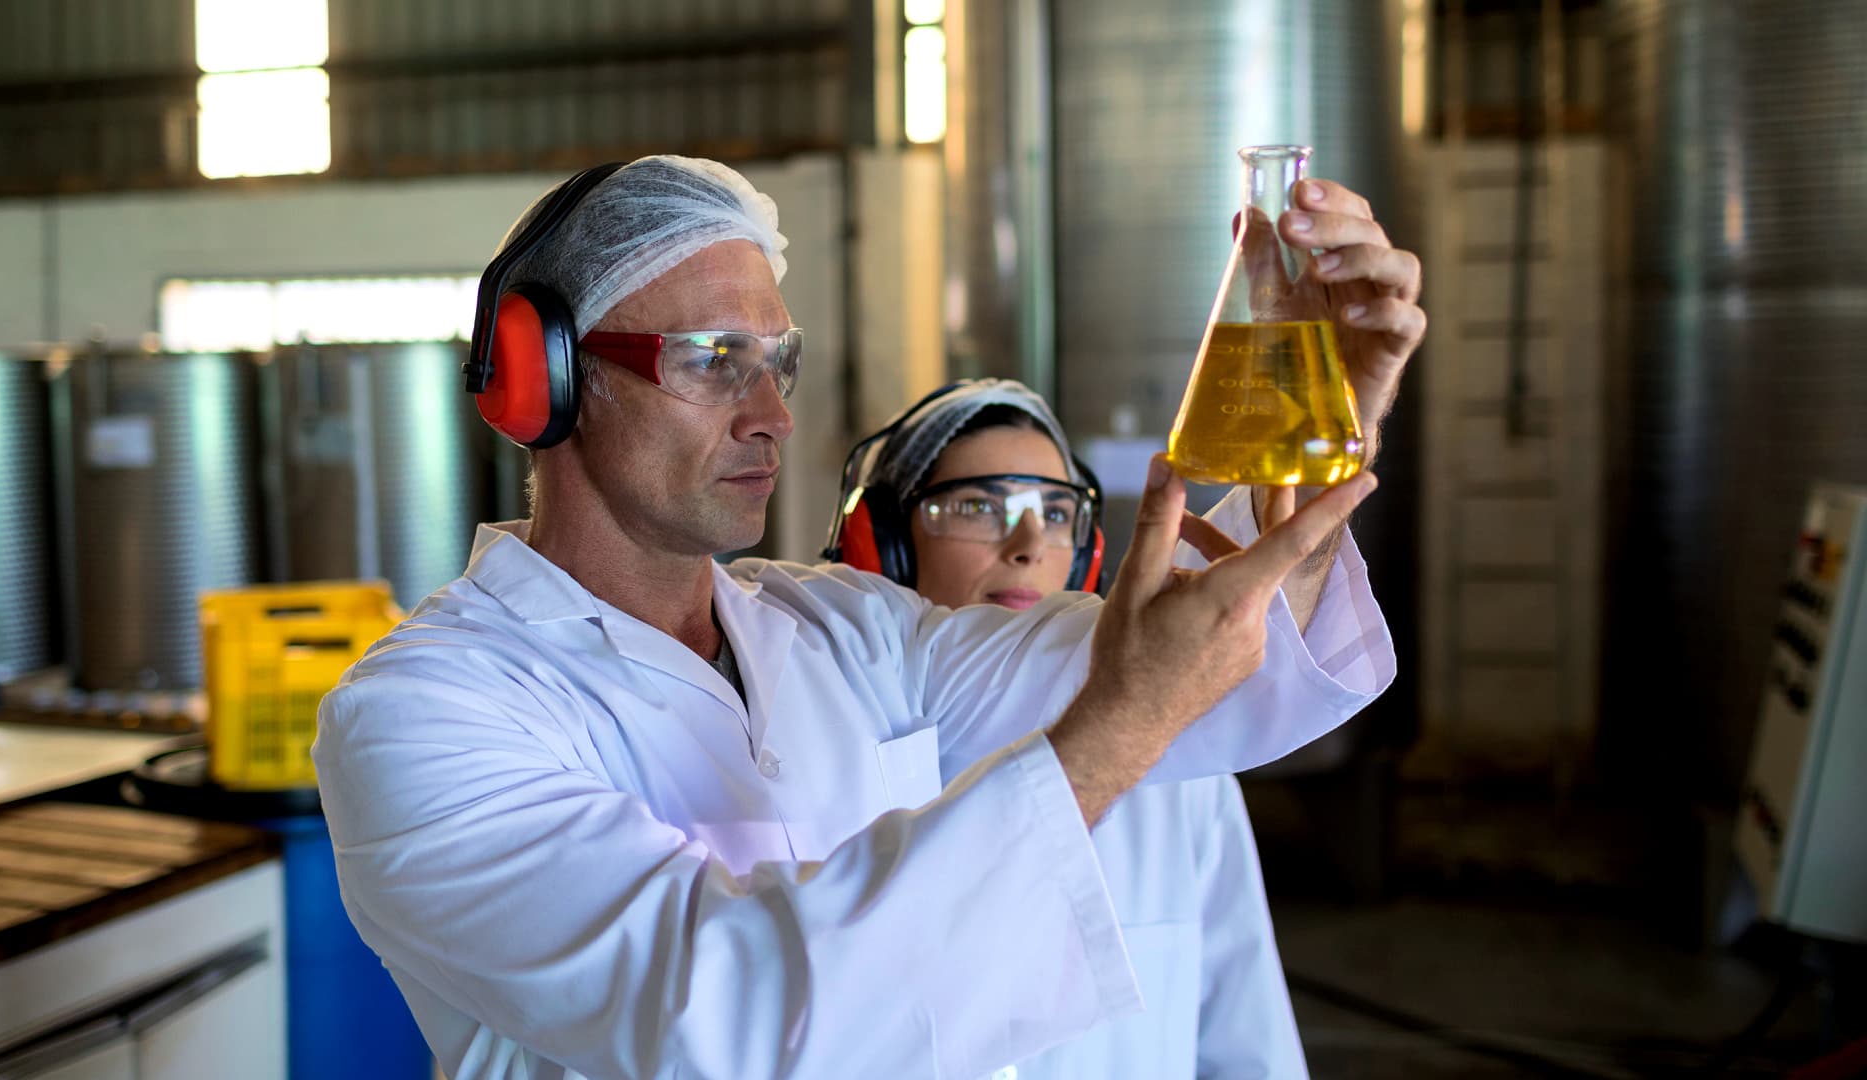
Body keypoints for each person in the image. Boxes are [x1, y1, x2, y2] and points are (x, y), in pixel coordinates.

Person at [313, 154, 1422, 1080]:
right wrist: (1114, 730)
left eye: (778, 362)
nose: (773, 416)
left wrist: (1319, 421)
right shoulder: (423, 715)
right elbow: (730, 1020)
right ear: (537, 380)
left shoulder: (849, 629)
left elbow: (1177, 661)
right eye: (711, 362)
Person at [824, 378, 1309, 1077]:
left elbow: (1248, 1047)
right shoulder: (828, 762)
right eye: (976, 506)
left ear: (1086, 554)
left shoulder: (1178, 772)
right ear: (885, 549)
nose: (1027, 544)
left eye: (1054, 513)